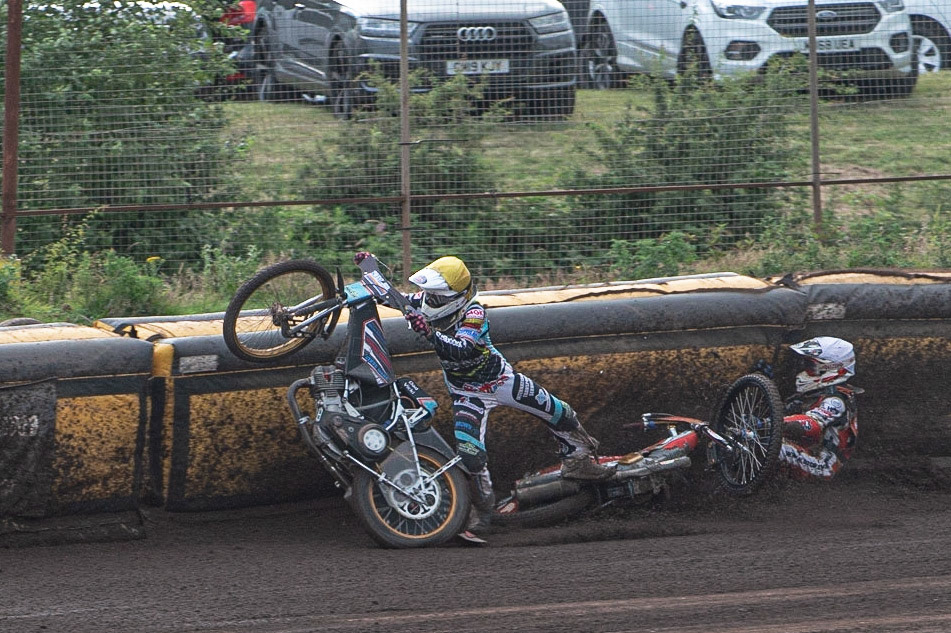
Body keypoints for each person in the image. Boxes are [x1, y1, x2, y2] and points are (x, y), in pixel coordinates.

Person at [354, 252, 615, 532]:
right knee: (471, 456)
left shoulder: (474, 313)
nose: (429, 300)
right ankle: (479, 512)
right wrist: (369, 268)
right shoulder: (423, 303)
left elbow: (463, 348)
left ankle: (578, 462)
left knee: (560, 411)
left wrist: (429, 332)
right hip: (467, 394)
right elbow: (392, 298)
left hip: (502, 382)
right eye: (427, 294)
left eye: (437, 296)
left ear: (456, 296)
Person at [778, 337, 859, 480]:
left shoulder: (836, 401)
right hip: (808, 452)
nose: (803, 371)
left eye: (809, 367)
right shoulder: (816, 394)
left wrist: (773, 424)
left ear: (831, 369)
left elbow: (812, 424)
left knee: (778, 447)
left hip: (825, 465)